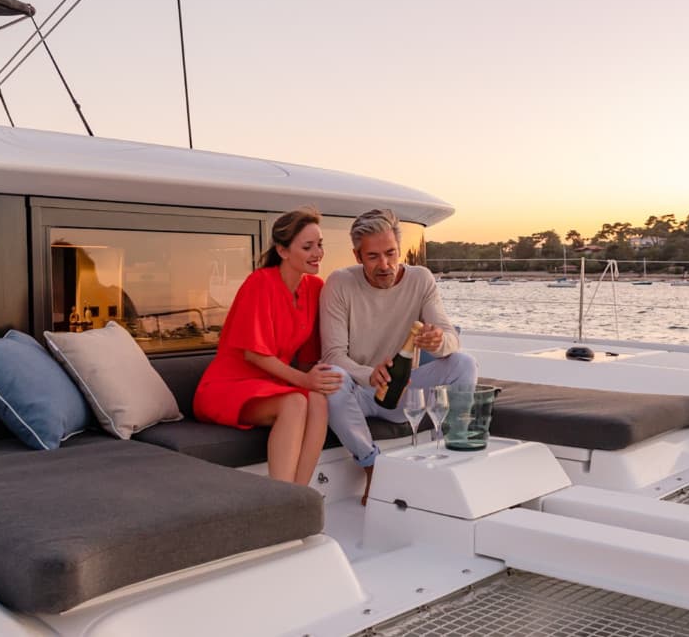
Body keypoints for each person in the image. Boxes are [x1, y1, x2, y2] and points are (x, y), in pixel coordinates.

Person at [320, 208, 477, 503]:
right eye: (373, 257)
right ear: (357, 256)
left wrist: (438, 342)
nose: (385, 265)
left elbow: (451, 339)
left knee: (463, 363)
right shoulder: (339, 283)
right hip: (359, 392)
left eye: (391, 253)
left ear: (400, 250)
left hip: (405, 391)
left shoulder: (421, 279)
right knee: (332, 377)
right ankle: (372, 466)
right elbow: (333, 354)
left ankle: (456, 451)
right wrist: (369, 374)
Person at [193, 207, 342, 484]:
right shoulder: (259, 283)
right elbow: (254, 355)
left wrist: (314, 381)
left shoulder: (315, 288)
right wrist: (304, 381)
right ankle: (283, 495)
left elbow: (308, 358)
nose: (318, 253)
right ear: (283, 251)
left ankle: (301, 495)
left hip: (272, 385)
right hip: (227, 386)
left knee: (318, 401)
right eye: (307, 247)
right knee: (296, 402)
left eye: (320, 245)